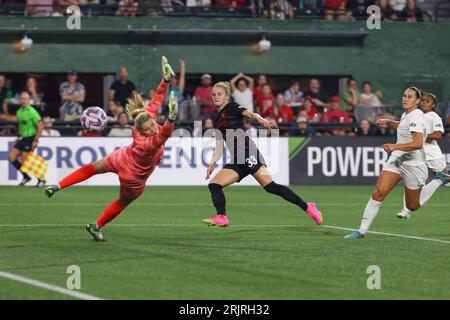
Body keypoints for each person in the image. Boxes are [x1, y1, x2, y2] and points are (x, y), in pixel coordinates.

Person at [44, 57, 177, 242]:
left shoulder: (144, 122)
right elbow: (164, 136)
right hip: (133, 178)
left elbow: (156, 100)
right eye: (149, 129)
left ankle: (58, 186)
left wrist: (166, 80)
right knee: (122, 202)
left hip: (121, 157)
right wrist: (171, 118)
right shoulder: (146, 144)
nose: (153, 128)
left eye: (153, 124)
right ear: (142, 131)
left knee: (94, 167)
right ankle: (96, 225)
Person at [202, 81, 323, 228]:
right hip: (238, 160)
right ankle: (221, 217)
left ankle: (308, 207)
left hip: (248, 153)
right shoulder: (218, 117)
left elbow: (250, 114)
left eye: (219, 94)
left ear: (227, 96)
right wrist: (212, 162)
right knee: (214, 185)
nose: (215, 97)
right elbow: (220, 144)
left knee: (270, 186)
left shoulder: (232, 107)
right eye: (214, 94)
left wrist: (262, 120)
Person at [345, 87, 428, 239]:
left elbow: (417, 143)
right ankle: (361, 231)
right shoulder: (407, 114)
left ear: (417, 101)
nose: (405, 99)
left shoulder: (416, 116)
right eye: (404, 96)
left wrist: (394, 146)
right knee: (379, 193)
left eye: (409, 97)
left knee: (412, 206)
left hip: (414, 165)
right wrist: (389, 122)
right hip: (398, 159)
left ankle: (436, 182)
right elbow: (403, 126)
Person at [396, 92, 450, 219]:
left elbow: (437, 135)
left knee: (444, 178)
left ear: (433, 105)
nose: (424, 103)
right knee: (411, 180)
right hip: (418, 152)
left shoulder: (433, 116)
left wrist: (420, 135)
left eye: (428, 101)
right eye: (423, 100)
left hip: (432, 154)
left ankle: (441, 180)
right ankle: (406, 210)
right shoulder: (416, 115)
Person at [8, 91, 44, 186]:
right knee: (11, 157)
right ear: (19, 100)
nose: (23, 100)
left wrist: (36, 140)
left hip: (31, 138)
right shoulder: (19, 112)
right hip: (23, 138)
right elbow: (21, 125)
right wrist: (18, 136)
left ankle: (41, 179)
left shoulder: (32, 111)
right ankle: (26, 176)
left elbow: (40, 126)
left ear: (29, 100)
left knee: (25, 159)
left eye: (25, 98)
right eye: (21, 98)